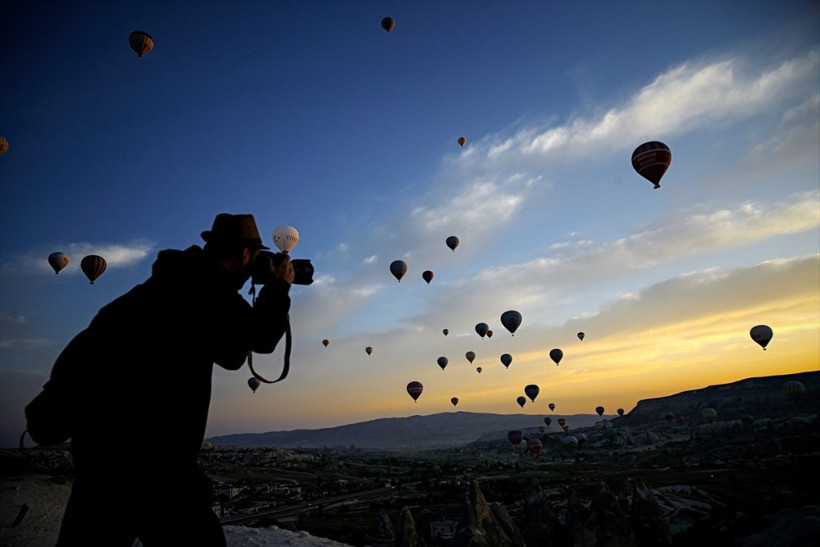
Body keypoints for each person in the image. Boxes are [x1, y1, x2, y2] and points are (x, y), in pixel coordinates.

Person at [27, 213, 294, 546]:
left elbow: (230, 353)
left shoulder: (151, 292)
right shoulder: (207, 291)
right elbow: (262, 338)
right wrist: (279, 287)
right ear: (244, 255)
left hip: (99, 466)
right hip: (161, 469)